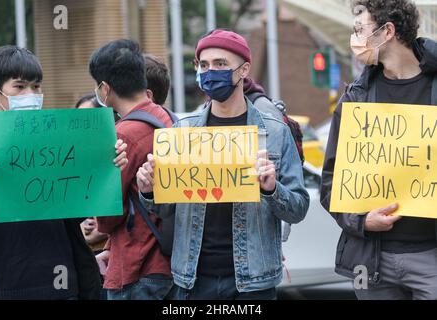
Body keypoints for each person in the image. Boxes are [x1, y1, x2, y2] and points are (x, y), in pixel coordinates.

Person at [137, 29, 309, 300]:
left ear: (244, 70)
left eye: (220, 64)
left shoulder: (275, 133)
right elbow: (165, 208)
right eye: (203, 65)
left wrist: (271, 189)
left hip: (253, 283)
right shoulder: (182, 132)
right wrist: (148, 189)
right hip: (192, 279)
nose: (210, 72)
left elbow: (298, 209)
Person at [0, 45, 128, 300]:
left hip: (62, 284)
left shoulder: (57, 139)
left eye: (36, 86)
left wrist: (106, 166)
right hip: (3, 286)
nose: (31, 94)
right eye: (20, 87)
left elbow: (77, 209)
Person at [320, 0, 437, 300]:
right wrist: (361, 221)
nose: (355, 39)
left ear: (387, 31)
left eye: (360, 30)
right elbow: (331, 184)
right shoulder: (354, 100)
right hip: (369, 261)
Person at [89, 39, 173, 300]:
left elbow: (110, 213)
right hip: (168, 263)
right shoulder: (166, 119)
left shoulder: (121, 135)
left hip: (137, 268)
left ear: (104, 89)